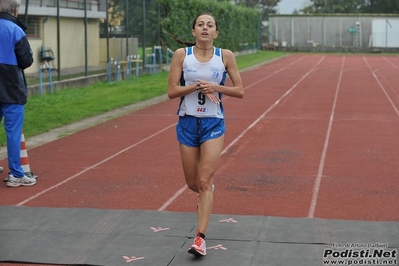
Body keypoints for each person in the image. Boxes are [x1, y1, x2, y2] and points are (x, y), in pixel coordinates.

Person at [167, 13, 244, 257]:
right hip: (188, 123)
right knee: (193, 183)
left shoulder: (225, 56)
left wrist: (216, 87)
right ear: (193, 31)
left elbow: (239, 90)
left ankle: (200, 238)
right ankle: (206, 194)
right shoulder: (182, 56)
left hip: (213, 124)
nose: (205, 28)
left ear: (216, 33)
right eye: (200, 24)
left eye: (210, 25)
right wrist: (197, 86)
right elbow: (171, 91)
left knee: (204, 181)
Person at [0, 0, 36, 187]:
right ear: (15, 10)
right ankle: (15, 174)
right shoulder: (15, 30)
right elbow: (26, 60)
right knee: (13, 132)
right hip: (11, 87)